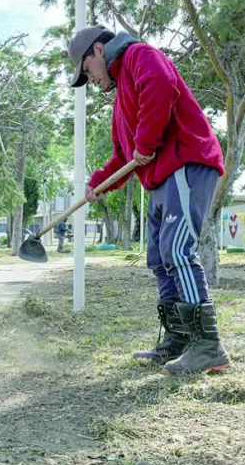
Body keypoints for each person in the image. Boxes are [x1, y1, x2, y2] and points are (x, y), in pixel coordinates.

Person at [68, 25, 229, 376]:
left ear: (98, 51)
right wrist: (97, 184)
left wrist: (145, 141)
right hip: (159, 180)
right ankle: (178, 338)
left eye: (87, 70)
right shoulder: (119, 102)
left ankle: (208, 346)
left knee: (177, 250)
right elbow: (123, 158)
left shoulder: (140, 56)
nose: (91, 80)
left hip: (186, 163)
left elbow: (159, 87)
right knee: (159, 258)